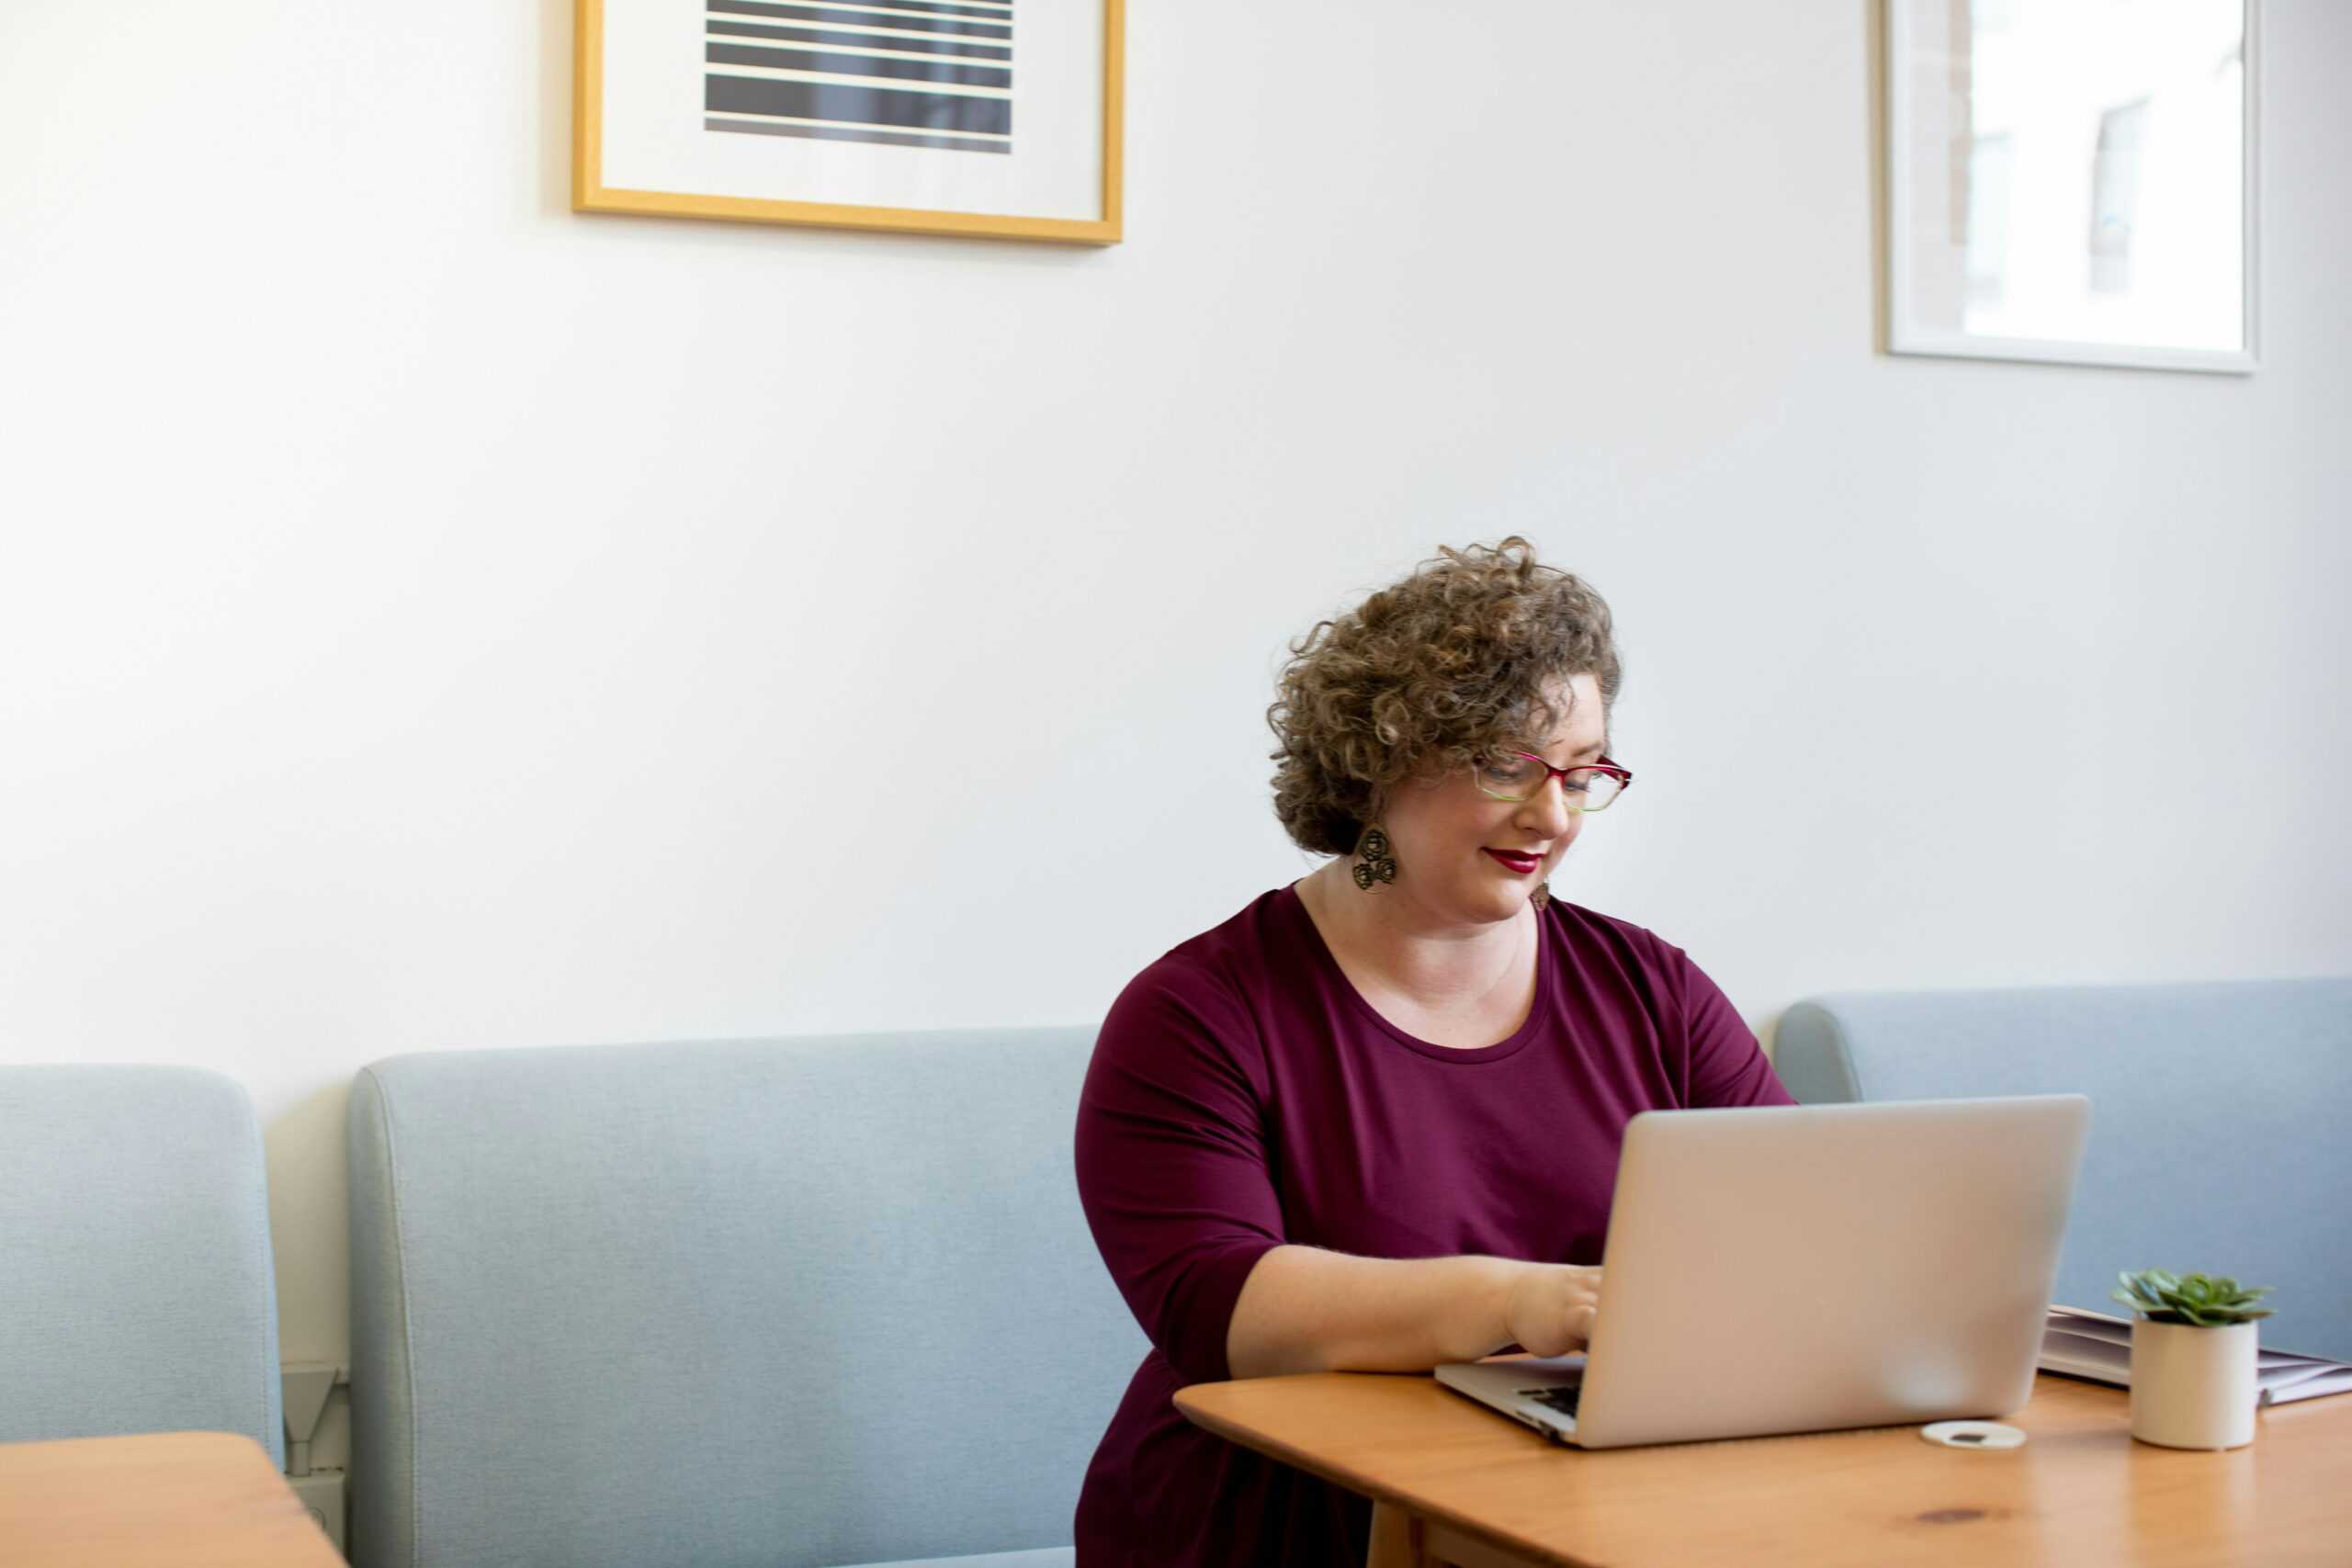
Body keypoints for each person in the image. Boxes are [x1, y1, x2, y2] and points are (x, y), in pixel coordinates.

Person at [1070, 537, 1795, 1566]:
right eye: (1507, 766)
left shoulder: (1653, 989)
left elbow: (1795, 1227)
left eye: (1583, 774)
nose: (1552, 815)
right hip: (1286, 1521)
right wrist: (1519, 1299)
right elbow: (1222, 1308)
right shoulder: (1195, 1013)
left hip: (1578, 1504)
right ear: (1381, 756)